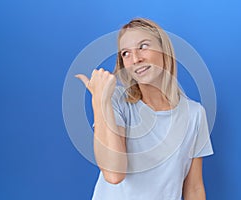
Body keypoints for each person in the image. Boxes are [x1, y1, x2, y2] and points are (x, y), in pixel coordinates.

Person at [75, 18, 213, 200]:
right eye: (125, 53)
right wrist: (100, 101)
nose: (136, 59)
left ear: (164, 50)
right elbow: (114, 174)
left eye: (143, 46)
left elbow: (194, 188)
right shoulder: (116, 101)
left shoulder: (195, 114)